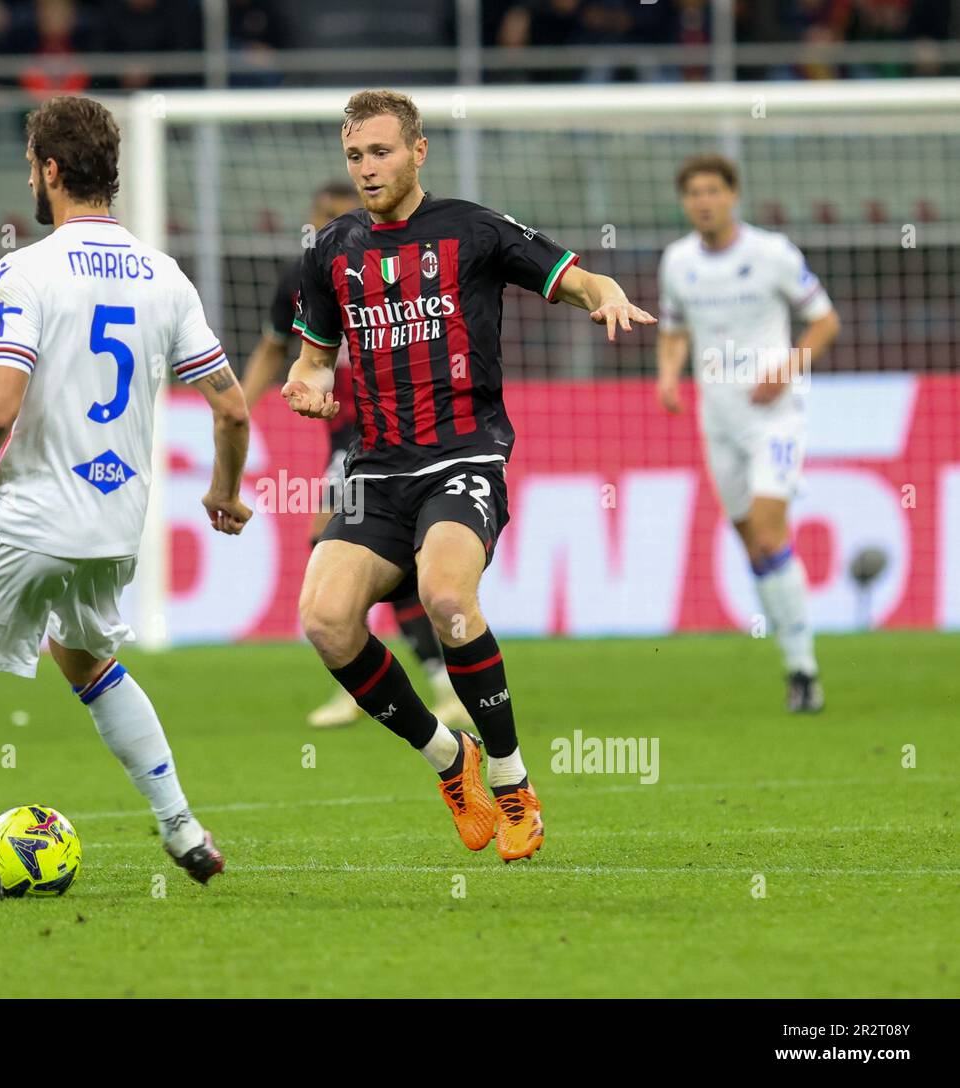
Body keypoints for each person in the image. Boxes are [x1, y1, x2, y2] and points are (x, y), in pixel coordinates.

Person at [0, 96, 252, 902]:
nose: (30, 179)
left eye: (31, 166)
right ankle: (183, 827)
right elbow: (232, 408)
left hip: (35, 516)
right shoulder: (164, 274)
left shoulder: (26, 270)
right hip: (117, 528)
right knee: (84, 658)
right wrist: (224, 492)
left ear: (49, 169)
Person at [283, 90, 654, 862]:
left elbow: (575, 278)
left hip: (463, 456)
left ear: (418, 152)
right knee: (324, 619)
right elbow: (315, 357)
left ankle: (512, 780)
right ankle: (452, 760)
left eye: (381, 151)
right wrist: (307, 382)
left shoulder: (473, 230)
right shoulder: (331, 250)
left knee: (447, 597)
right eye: (355, 156)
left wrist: (607, 293)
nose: (367, 168)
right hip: (378, 468)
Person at [242, 180, 471, 730]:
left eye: (340, 215)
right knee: (347, 546)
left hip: (390, 435)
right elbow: (274, 348)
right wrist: (238, 411)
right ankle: (400, 679)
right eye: (323, 215)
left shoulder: (394, 271)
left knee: (337, 542)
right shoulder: (301, 279)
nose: (331, 225)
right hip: (347, 439)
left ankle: (385, 679)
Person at [657, 153, 840, 712]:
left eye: (713, 190)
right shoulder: (677, 261)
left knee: (766, 533)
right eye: (694, 193)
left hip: (774, 416)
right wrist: (668, 376)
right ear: (685, 201)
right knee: (753, 545)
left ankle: (805, 670)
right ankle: (794, 663)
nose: (704, 202)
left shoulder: (771, 253)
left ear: (733, 195)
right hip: (719, 418)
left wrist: (787, 368)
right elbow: (674, 329)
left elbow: (825, 320)